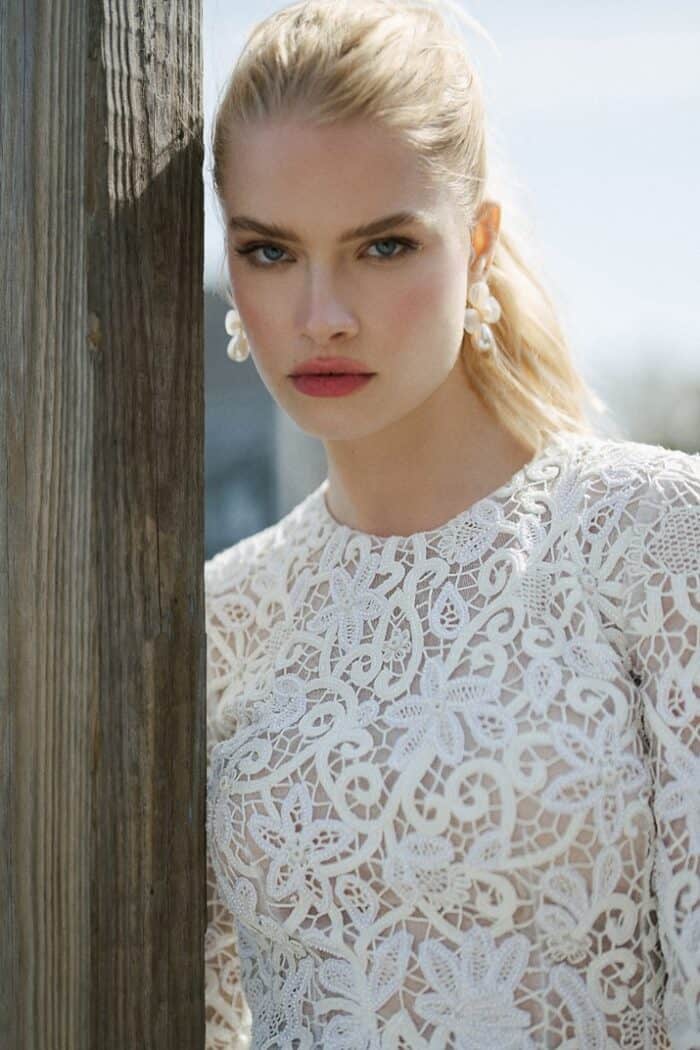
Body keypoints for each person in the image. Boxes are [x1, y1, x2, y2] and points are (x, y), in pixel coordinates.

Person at [204, 2, 700, 1047]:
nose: (321, 313)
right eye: (270, 252)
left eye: (382, 246)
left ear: (475, 245)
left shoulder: (653, 540)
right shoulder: (222, 619)